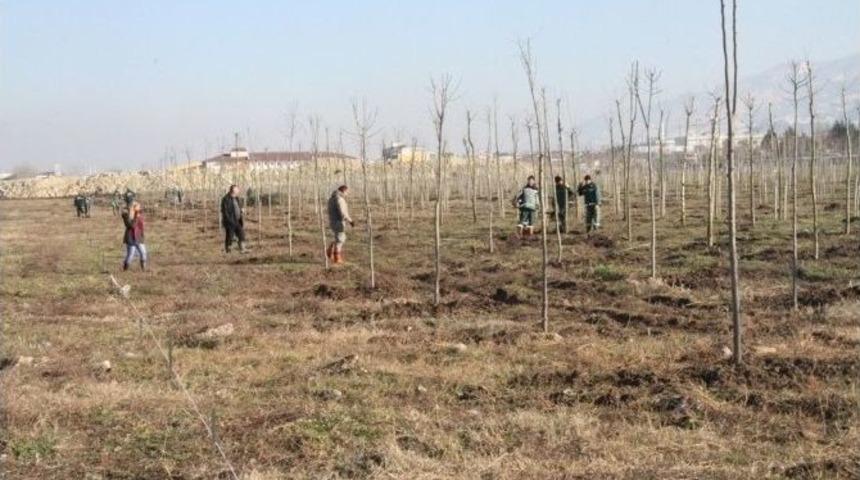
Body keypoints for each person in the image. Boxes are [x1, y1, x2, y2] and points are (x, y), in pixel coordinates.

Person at [326, 185, 354, 264]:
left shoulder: (331, 199)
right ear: (343, 191)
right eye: (347, 192)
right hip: (339, 222)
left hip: (332, 221)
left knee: (339, 237)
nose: (347, 194)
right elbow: (343, 213)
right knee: (340, 239)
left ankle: (330, 250)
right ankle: (337, 258)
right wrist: (350, 221)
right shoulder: (339, 199)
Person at [220, 185, 248, 253]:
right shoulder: (225, 199)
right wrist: (229, 220)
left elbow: (238, 207)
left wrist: (241, 210)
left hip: (237, 220)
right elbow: (224, 211)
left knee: (241, 233)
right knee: (230, 236)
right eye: (237, 189)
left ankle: (242, 248)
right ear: (233, 190)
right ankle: (228, 250)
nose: (238, 191)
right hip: (230, 221)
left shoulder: (237, 198)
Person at [121, 201, 147, 271]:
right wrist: (135, 216)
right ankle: (125, 269)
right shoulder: (126, 215)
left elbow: (141, 225)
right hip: (130, 238)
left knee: (143, 253)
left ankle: (143, 269)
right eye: (138, 207)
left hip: (138, 237)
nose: (139, 208)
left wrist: (142, 236)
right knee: (130, 255)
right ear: (133, 208)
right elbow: (131, 225)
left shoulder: (139, 214)